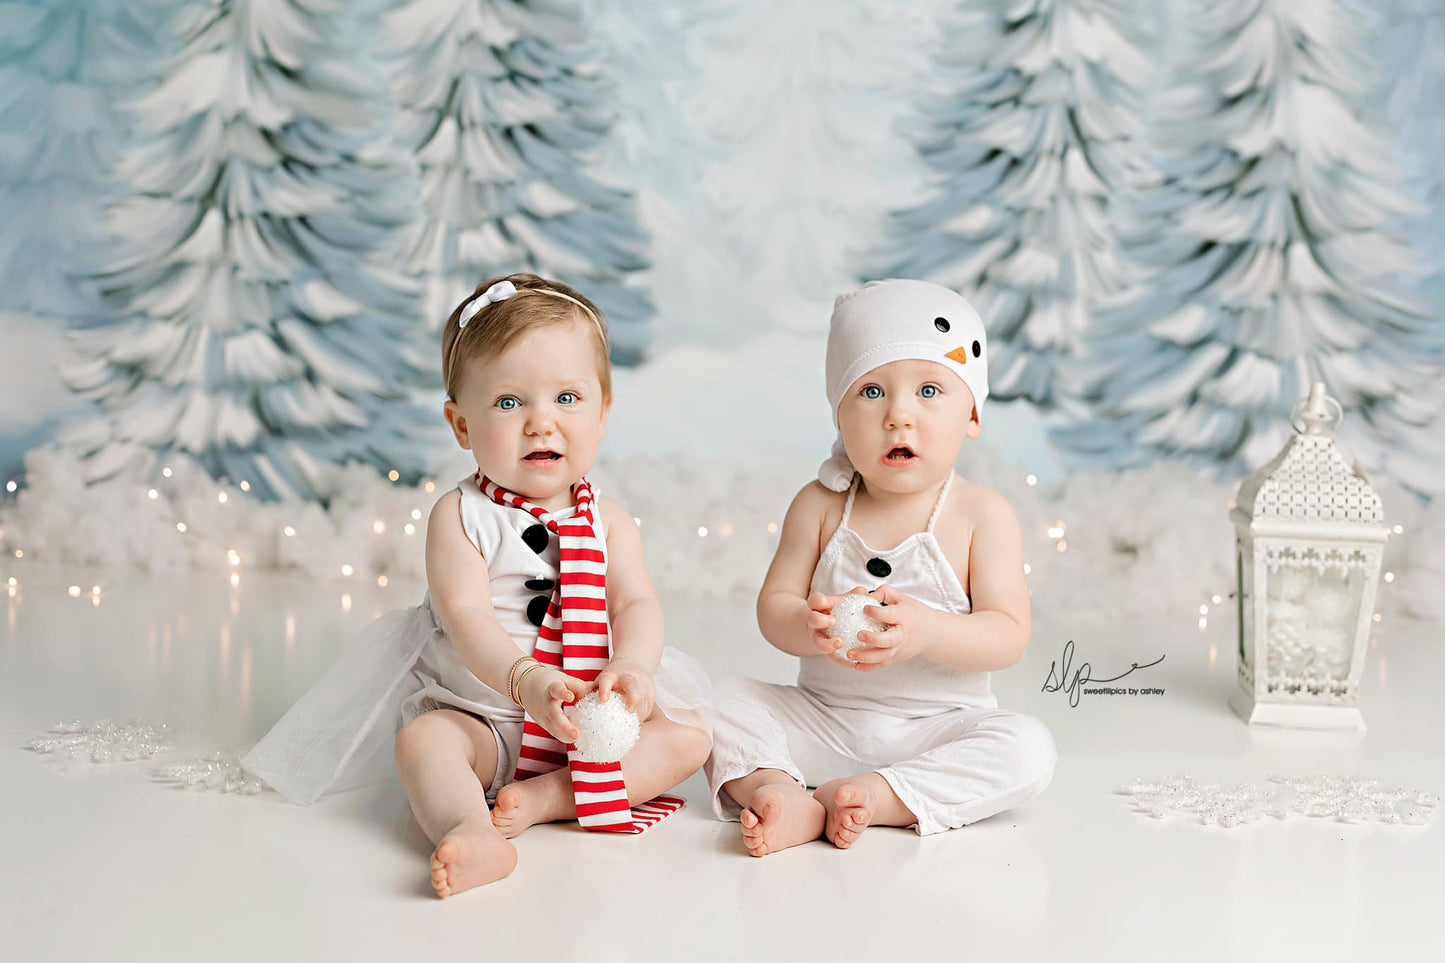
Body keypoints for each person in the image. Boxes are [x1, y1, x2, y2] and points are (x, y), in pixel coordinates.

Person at [242, 273, 712, 896]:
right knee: (422, 741)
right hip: (484, 722)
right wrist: (527, 681)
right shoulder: (461, 516)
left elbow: (635, 603)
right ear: (461, 425)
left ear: (602, 413)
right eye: (509, 403)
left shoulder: (612, 522)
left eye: (566, 398)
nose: (541, 423)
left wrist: (632, 666)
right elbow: (466, 618)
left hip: (590, 722)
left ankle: (551, 797)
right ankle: (469, 827)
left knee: (691, 737)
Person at [704, 278, 1056, 856]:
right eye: (871, 392)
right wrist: (809, 625)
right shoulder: (819, 505)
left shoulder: (981, 514)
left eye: (928, 390)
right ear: (839, 416)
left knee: (1029, 748)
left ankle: (881, 794)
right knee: (718, 700)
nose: (899, 416)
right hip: (823, 720)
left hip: (936, 730)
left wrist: (926, 630)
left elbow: (1007, 635)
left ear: (972, 413)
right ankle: (781, 791)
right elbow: (774, 608)